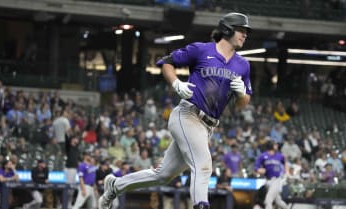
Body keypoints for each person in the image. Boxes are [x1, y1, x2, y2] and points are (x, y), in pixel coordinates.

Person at [99, 12, 253, 209]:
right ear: (227, 29)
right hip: (187, 114)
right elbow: (167, 62)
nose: (245, 35)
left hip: (207, 126)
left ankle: (115, 185)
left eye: (246, 31)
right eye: (241, 30)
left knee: (163, 175)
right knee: (203, 165)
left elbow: (243, 104)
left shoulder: (243, 65)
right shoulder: (201, 50)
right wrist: (176, 83)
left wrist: (241, 96)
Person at [254, 140, 289, 209]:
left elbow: (285, 163)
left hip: (276, 180)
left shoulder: (279, 156)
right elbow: (256, 167)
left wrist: (287, 171)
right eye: (275, 144)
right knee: (279, 202)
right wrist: (259, 170)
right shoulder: (263, 156)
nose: (277, 146)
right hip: (268, 181)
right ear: (270, 146)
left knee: (268, 200)